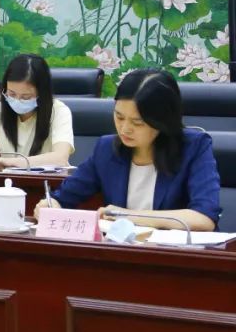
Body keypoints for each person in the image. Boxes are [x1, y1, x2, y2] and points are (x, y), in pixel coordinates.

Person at [34, 69, 220, 231]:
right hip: (122, 253)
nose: (124, 129)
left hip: (177, 255)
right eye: (119, 117)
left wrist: (128, 216)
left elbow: (204, 218)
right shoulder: (106, 149)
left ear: (162, 121)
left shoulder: (194, 147)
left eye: (137, 122)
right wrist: (50, 205)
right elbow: (64, 197)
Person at [0, 54, 73, 169]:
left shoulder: (59, 111)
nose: (18, 100)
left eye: (26, 97)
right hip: (9, 179)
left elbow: (60, 158)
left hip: (47, 179)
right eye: (12, 94)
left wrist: (10, 162)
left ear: (42, 93)